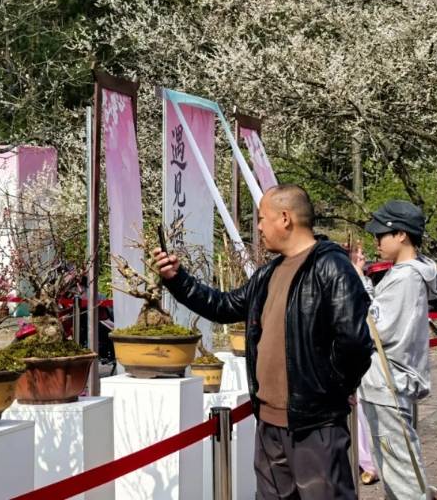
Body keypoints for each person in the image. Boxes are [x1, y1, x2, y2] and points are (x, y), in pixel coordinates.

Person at [153, 184, 372, 500]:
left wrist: (333, 390)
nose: (258, 227)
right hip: (268, 423)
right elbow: (223, 306)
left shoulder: (331, 266)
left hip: (315, 425)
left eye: (262, 218)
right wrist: (177, 279)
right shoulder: (268, 273)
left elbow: (354, 342)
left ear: (285, 218)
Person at [352, 200, 437, 500]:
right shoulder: (404, 273)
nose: (377, 242)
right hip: (388, 384)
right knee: (395, 469)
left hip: (388, 385)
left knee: (402, 477)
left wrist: (355, 286)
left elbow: (376, 325)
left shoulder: (406, 277)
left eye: (381, 235)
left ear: (401, 235)